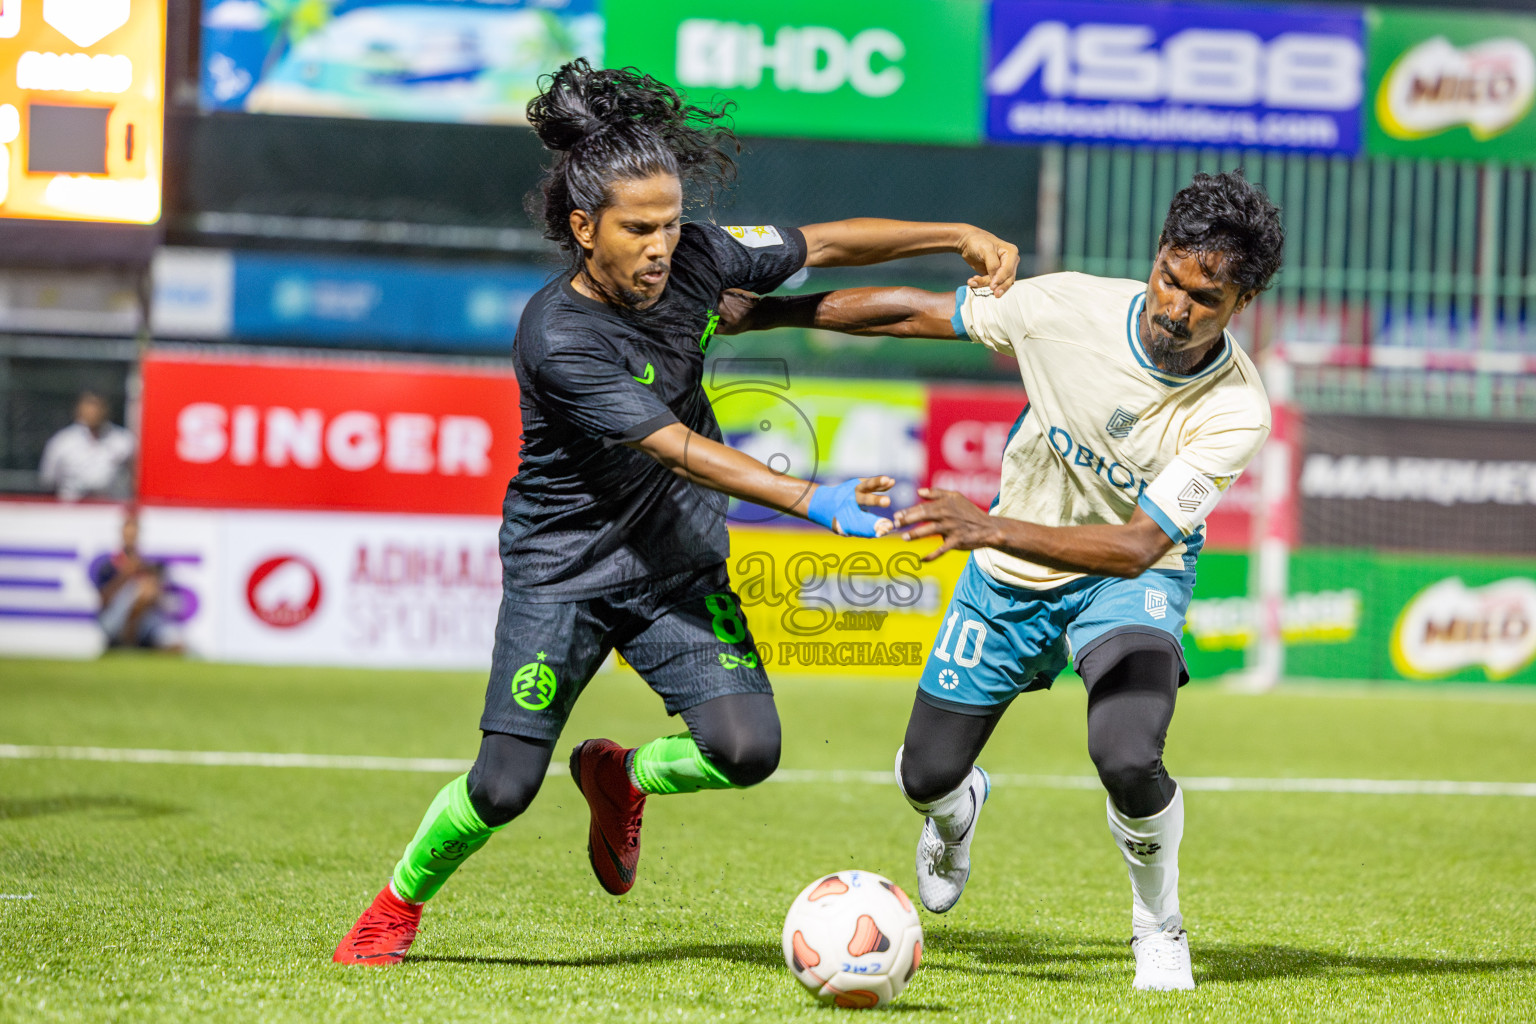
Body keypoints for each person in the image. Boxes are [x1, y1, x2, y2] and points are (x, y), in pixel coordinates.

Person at [333, 59, 1021, 965]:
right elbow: (674, 444)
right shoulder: (559, 336)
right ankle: (396, 905)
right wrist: (813, 498)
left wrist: (953, 231)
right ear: (586, 229)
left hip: (673, 561)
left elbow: (825, 245)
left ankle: (621, 773)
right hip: (564, 571)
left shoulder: (697, 256)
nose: (662, 245)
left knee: (747, 750)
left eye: (668, 223)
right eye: (639, 229)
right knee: (502, 789)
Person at [728, 170, 1282, 991]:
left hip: (1128, 581)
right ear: (1156, 256)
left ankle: (1159, 928)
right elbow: (918, 312)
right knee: (925, 775)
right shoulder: (1068, 308)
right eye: (1170, 276)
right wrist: (759, 315)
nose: (1176, 306)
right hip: (1009, 574)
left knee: (1127, 753)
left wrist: (983, 524)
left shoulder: (1237, 407)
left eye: (1206, 297)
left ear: (1242, 303)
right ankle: (954, 815)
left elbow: (1133, 547)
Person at [91, 513, 181, 652]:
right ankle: (128, 640)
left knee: (150, 591)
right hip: (114, 620)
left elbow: (157, 599)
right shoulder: (108, 566)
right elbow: (103, 602)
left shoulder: (146, 566)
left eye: (133, 536)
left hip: (142, 622)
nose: (131, 539)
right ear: (122, 535)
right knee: (143, 589)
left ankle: (138, 641)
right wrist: (125, 575)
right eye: (128, 535)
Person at [38, 391, 135, 501]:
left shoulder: (124, 441)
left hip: (112, 509)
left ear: (106, 409)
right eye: (89, 405)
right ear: (79, 409)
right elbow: (48, 481)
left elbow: (136, 479)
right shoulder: (61, 442)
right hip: (71, 511)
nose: (93, 411)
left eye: (97, 405)